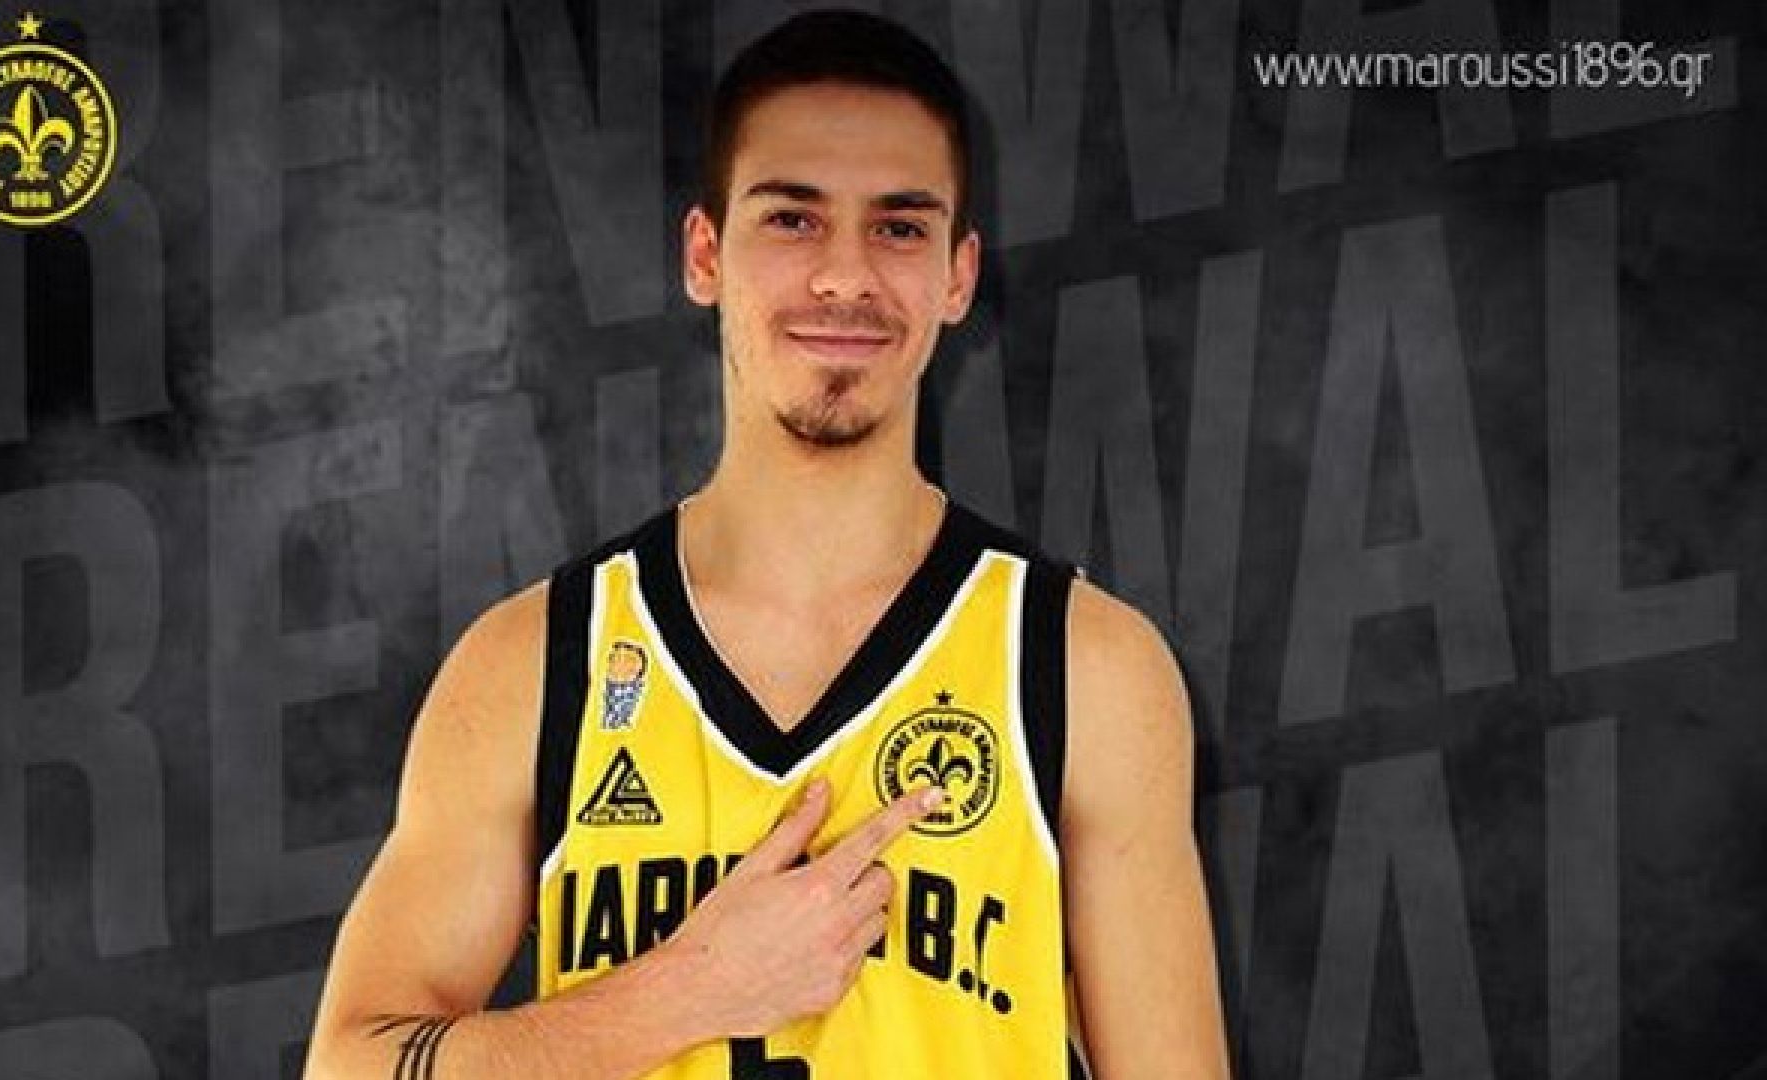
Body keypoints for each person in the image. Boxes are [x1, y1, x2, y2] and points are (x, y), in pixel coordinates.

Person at [304, 9, 1229, 1079]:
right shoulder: (532, 667)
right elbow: (347, 1065)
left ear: (959, 275)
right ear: (706, 254)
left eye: (900, 228)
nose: (845, 277)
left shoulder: (1084, 667)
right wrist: (686, 991)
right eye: (793, 220)